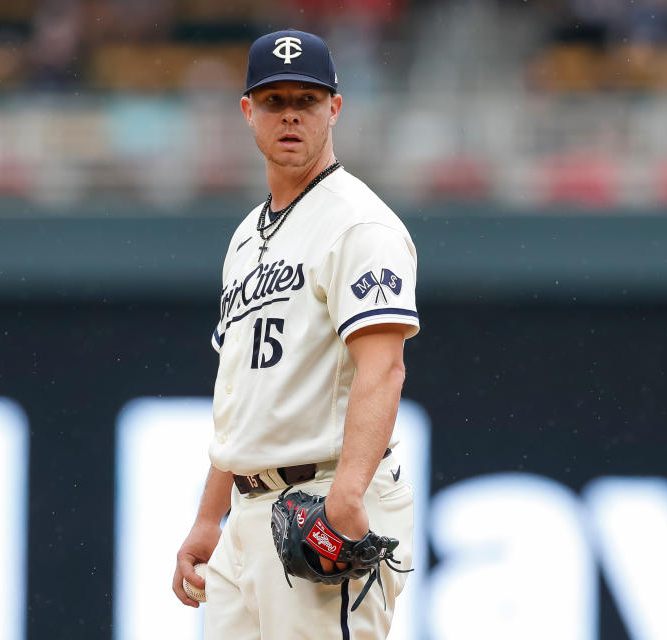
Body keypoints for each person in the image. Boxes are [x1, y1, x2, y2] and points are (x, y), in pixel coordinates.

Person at [172, 29, 420, 639]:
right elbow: (243, 394)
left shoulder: (359, 224)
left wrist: (348, 495)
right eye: (274, 99)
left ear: (334, 109)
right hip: (248, 513)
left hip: (319, 499)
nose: (290, 114)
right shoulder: (243, 238)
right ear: (247, 113)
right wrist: (211, 515)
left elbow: (383, 368)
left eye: (306, 100)